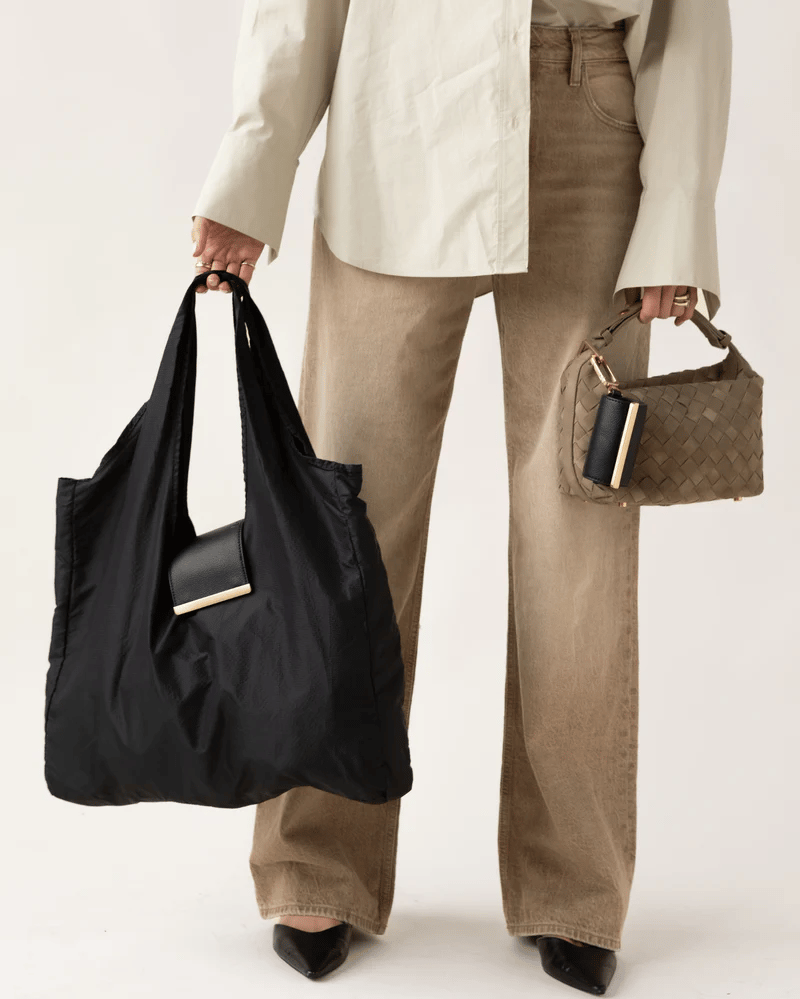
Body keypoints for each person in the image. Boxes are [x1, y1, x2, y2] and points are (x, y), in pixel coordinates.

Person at [190, 1, 731, 992]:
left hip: (584, 115)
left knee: (579, 542)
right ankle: (317, 858)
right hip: (395, 113)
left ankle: (573, 885)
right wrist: (254, 168)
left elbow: (687, 15)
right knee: (343, 522)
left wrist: (678, 213)